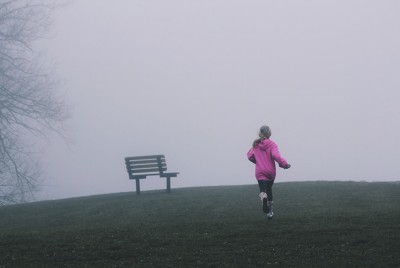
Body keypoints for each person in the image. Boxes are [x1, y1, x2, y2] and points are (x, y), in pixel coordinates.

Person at [247, 125, 291, 219]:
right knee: (269, 190)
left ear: (260, 133)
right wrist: (285, 164)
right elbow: (276, 156)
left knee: (263, 190)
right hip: (270, 172)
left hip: (259, 171)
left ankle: (263, 198)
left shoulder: (256, 144)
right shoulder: (272, 144)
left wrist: (257, 161)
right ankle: (270, 213)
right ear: (269, 133)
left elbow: (249, 156)